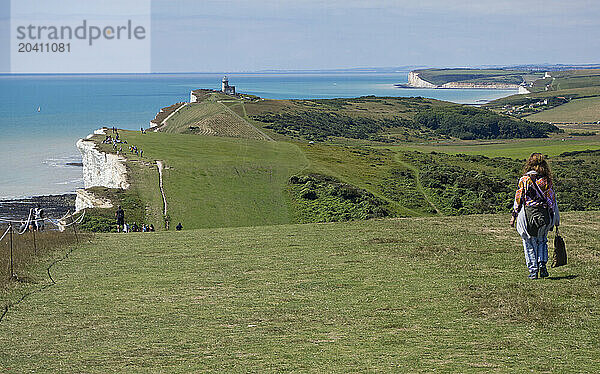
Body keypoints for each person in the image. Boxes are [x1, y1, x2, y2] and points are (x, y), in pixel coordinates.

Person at [510, 153, 560, 279]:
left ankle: (533, 270)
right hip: (543, 214)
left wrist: (514, 216)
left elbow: (519, 199)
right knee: (542, 240)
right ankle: (542, 264)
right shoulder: (546, 180)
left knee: (529, 241)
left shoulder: (524, 179)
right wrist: (554, 218)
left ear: (529, 164)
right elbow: (551, 201)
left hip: (528, 214)